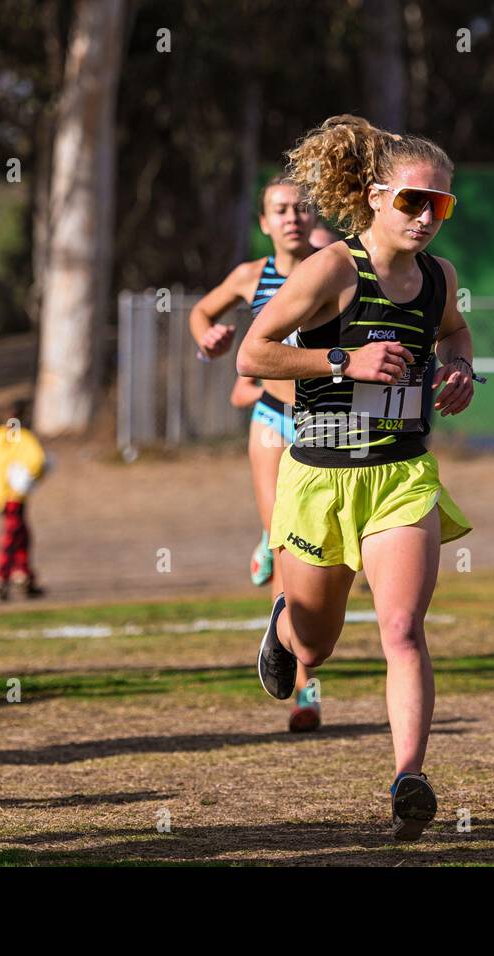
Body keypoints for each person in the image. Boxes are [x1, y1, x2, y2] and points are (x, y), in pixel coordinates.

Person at [237, 114, 478, 839]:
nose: (427, 217)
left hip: (401, 474)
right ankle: (285, 628)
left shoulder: (440, 278)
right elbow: (254, 353)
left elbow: (454, 330)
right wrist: (344, 361)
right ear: (376, 197)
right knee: (317, 645)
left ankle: (409, 775)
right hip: (317, 475)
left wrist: (461, 366)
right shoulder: (334, 270)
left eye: (441, 205)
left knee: (403, 628)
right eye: (412, 201)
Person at [188, 176, 326, 732]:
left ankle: (271, 545)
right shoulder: (251, 276)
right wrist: (208, 340)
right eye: (279, 210)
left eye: (300, 208)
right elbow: (202, 312)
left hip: (327, 426)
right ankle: (304, 690)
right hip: (272, 422)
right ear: (265, 223)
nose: (291, 217)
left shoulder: (335, 266)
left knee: (322, 556)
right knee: (289, 554)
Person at [0, 400, 48, 600]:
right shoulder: (21, 437)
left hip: (2, 495)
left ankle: (23, 575)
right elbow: (37, 460)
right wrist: (33, 476)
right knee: (11, 536)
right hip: (14, 495)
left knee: (22, 534)